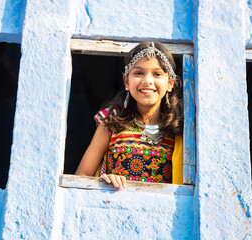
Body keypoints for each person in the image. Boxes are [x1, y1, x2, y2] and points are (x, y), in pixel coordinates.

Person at [75, 42, 183, 190]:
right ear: (126, 81)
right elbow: (81, 176)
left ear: (170, 83)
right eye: (138, 73)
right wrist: (103, 182)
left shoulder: (180, 128)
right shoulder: (111, 121)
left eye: (157, 74)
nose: (147, 81)